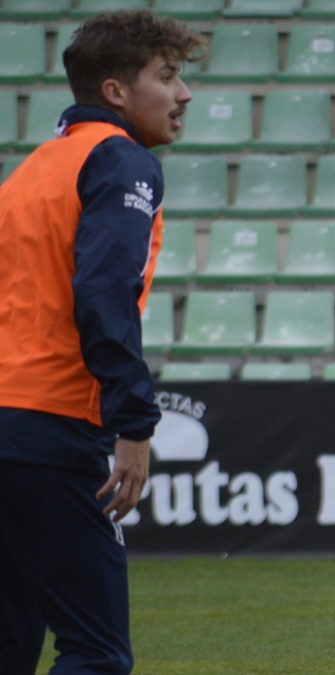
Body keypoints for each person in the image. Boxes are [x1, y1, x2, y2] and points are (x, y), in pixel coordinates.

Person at [0, 11, 204, 674]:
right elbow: (103, 296)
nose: (184, 95)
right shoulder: (121, 161)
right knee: (96, 652)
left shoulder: (30, 170)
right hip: (52, 427)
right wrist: (134, 423)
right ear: (115, 91)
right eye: (167, 76)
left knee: (12, 641)